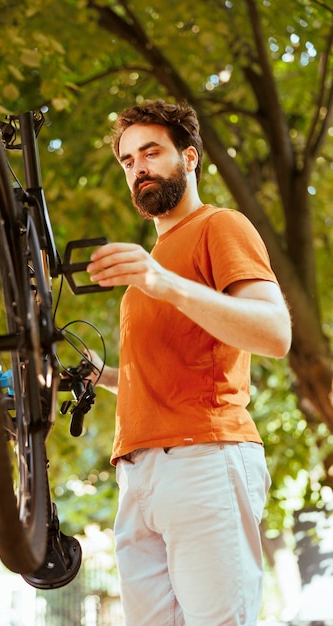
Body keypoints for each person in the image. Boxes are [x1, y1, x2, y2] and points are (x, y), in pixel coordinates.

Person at [86, 99, 291, 626]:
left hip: (206, 457)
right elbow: (167, 373)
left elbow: (274, 331)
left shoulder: (219, 225)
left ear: (190, 157)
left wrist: (164, 284)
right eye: (128, 161)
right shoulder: (150, 270)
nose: (139, 169)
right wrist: (102, 376)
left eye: (151, 152)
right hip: (138, 475)